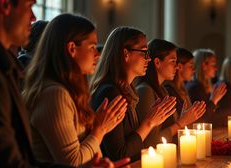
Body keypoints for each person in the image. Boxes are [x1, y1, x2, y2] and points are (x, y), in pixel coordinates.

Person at [0, 0, 128, 167]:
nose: (33, 16)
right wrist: (98, 131)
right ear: (5, 5)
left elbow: (25, 160)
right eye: (29, 6)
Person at [22, 13, 128, 167]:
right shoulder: (54, 94)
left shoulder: (68, 90)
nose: (98, 54)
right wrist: (99, 129)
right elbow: (71, 163)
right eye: (92, 47)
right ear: (72, 48)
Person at [90, 27, 176, 161]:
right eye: (144, 52)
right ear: (126, 53)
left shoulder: (128, 91)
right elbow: (119, 154)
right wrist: (149, 123)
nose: (148, 59)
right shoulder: (111, 93)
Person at [135, 41, 205, 146]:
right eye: (173, 62)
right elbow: (149, 141)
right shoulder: (145, 91)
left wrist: (184, 118)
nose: (176, 67)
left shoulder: (162, 90)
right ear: (157, 62)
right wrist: (181, 123)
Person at [186, 49, 227, 123]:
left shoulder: (206, 86)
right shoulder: (194, 88)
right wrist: (214, 101)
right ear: (204, 65)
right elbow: (202, 119)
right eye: (213, 65)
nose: (216, 68)